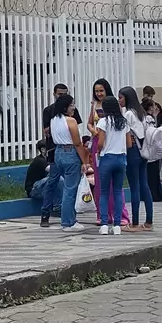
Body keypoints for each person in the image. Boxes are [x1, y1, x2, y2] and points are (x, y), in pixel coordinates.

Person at [41, 93, 90, 232]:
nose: (73, 108)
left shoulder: (53, 120)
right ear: (65, 107)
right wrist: (85, 161)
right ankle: (68, 222)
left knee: (67, 188)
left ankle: (69, 218)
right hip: (70, 153)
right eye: (71, 105)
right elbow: (77, 143)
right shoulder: (71, 121)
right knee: (70, 189)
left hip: (58, 153)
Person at [91, 96, 130, 235]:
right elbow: (129, 143)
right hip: (121, 158)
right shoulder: (123, 122)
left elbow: (100, 142)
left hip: (107, 158)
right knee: (118, 191)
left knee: (104, 192)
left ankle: (104, 225)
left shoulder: (103, 121)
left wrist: (99, 150)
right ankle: (118, 225)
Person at [120, 86, 155, 230]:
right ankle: (149, 221)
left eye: (121, 97)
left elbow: (125, 133)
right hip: (143, 150)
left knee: (134, 186)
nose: (119, 100)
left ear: (127, 98)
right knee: (144, 184)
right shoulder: (141, 112)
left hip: (133, 150)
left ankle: (134, 223)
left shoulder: (128, 114)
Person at [139, 97, 162, 213]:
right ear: (150, 108)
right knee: (153, 173)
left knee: (149, 173)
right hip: (152, 147)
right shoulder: (149, 118)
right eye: (153, 106)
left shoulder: (143, 118)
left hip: (147, 146)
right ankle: (155, 194)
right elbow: (153, 131)